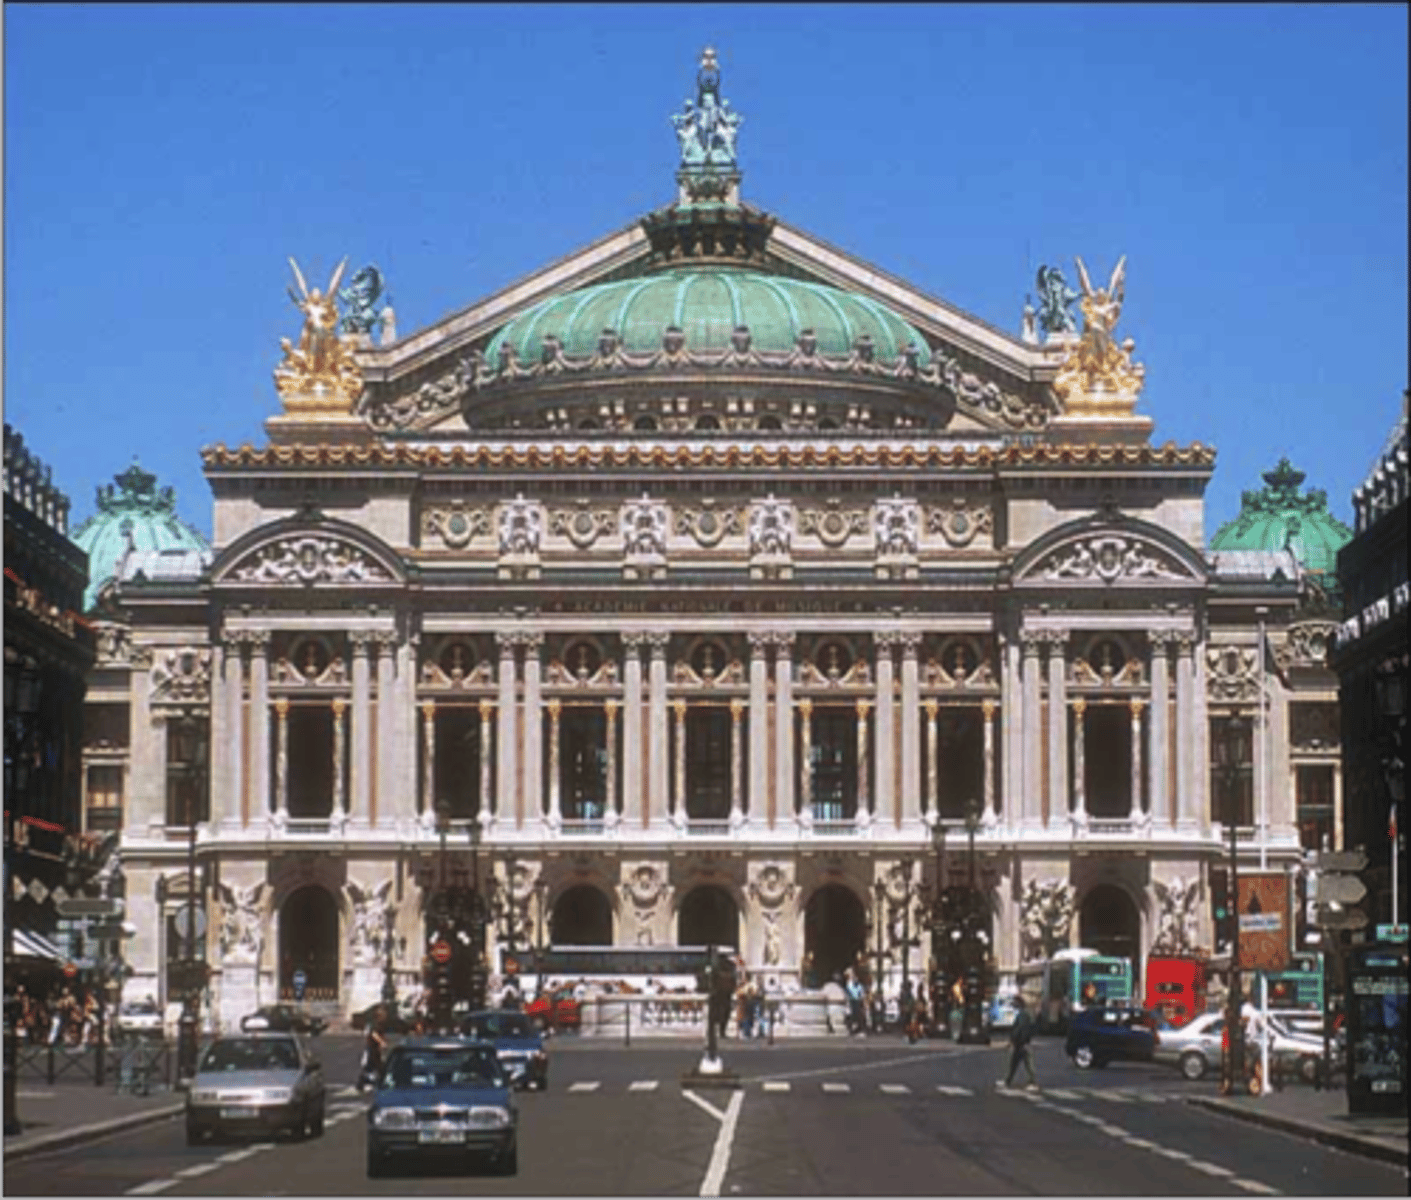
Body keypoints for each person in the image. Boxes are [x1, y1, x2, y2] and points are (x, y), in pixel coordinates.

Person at [999, 995, 1038, 1090]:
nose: (1013, 1006)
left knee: (1021, 1063)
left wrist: (1015, 1039)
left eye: (1014, 1004)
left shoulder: (1022, 1015)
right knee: (1018, 1062)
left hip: (1021, 1042)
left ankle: (1029, 1082)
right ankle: (1009, 1081)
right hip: (1022, 1042)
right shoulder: (1025, 1014)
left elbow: (1020, 1029)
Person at [358, 1008, 388, 1092]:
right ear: (379, 1015)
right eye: (384, 1015)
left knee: (377, 1066)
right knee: (371, 1066)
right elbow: (374, 1033)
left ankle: (373, 1083)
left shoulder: (378, 1024)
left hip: (375, 1049)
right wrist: (381, 1042)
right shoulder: (375, 1024)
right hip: (372, 1049)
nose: (385, 1017)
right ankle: (364, 1084)